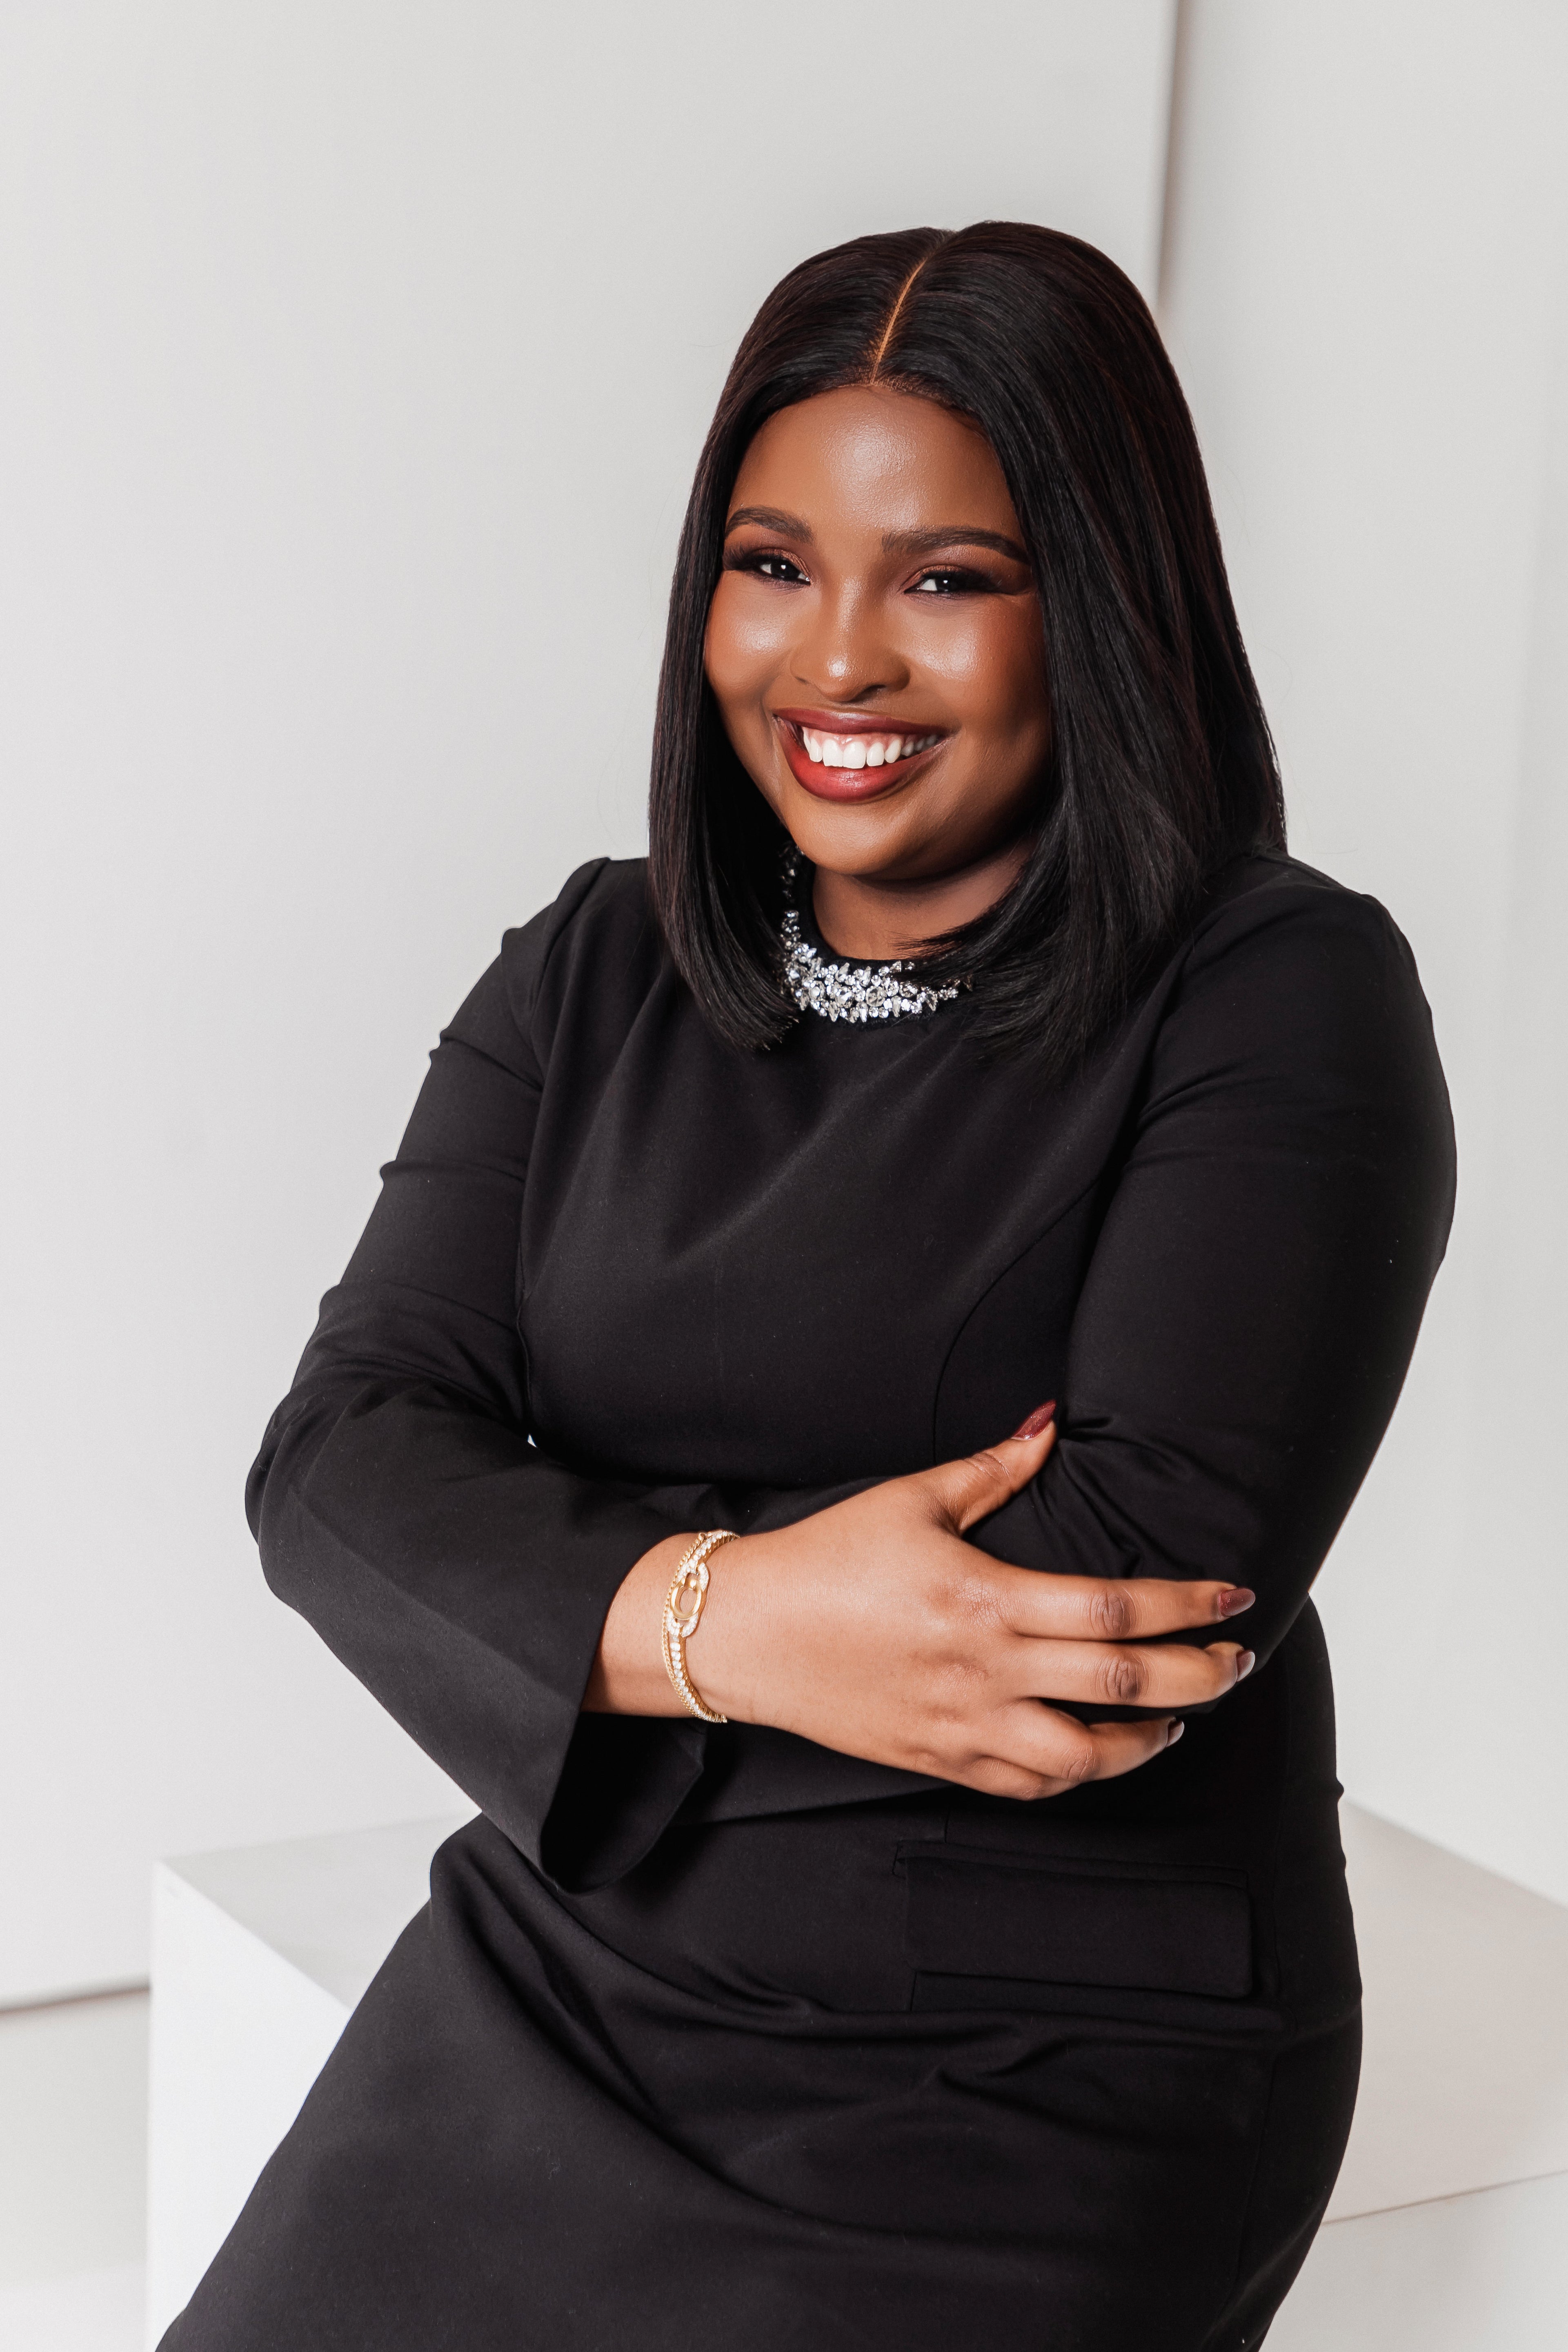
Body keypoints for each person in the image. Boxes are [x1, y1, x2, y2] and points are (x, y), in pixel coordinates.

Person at [163, 223, 1455, 2350]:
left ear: (1105, 611)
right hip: (579, 1971)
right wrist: (740, 1618)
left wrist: (557, 1623)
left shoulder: (1275, 993)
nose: (833, 658)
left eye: (945, 580)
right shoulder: (591, 966)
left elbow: (1127, 1599)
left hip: (1031, 2056)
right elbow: (336, 1467)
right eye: (772, 565)